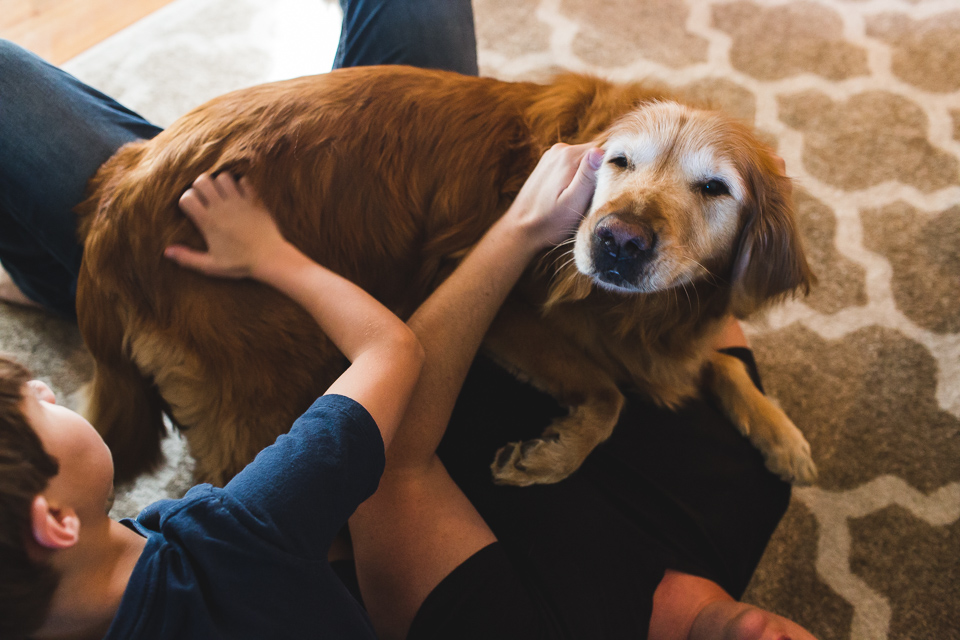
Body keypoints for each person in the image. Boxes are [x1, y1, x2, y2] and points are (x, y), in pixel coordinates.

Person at [0, 1, 819, 638]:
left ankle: (59, 279)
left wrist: (518, 228)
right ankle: (64, 276)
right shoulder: (753, 495)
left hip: (284, 281)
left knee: (94, 186)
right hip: (344, 218)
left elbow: (384, 448)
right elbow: (713, 317)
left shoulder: (513, 625)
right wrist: (741, 183)